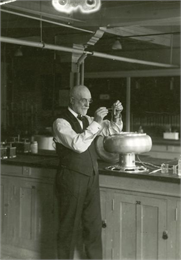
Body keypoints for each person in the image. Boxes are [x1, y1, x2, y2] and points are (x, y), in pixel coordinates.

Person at [53, 85, 123, 259]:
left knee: (93, 226)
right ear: (72, 100)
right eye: (83, 100)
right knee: (68, 227)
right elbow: (78, 145)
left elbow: (112, 130)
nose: (86, 104)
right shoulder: (61, 122)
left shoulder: (88, 119)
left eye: (89, 101)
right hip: (71, 178)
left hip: (91, 177)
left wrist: (116, 116)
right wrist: (96, 122)